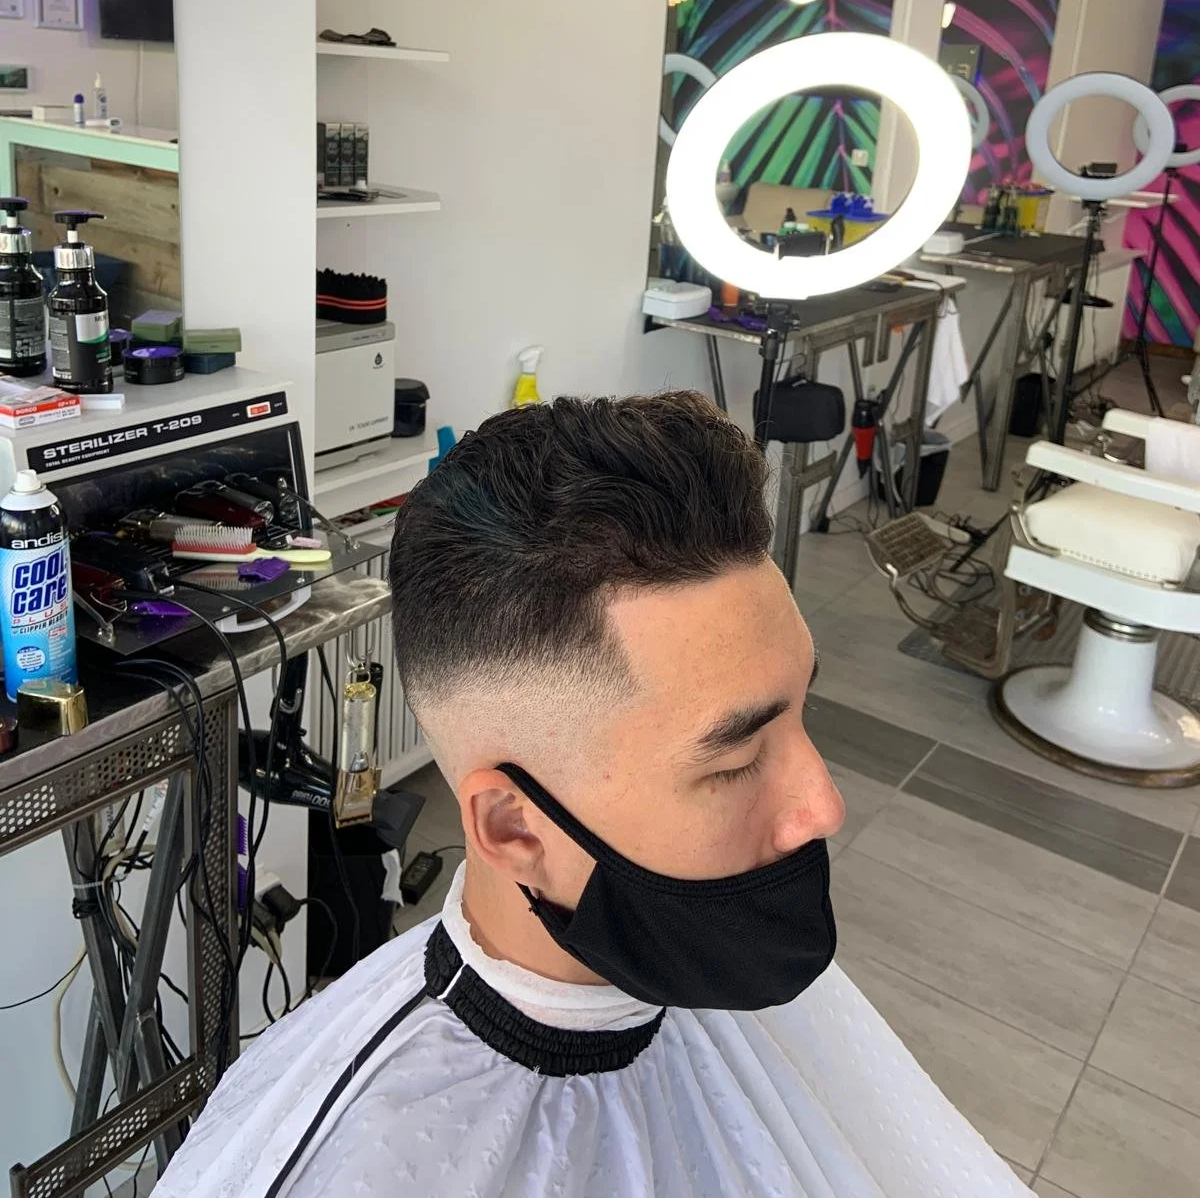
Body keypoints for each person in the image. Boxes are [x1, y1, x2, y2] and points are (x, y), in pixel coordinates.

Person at [159, 393, 1029, 1197]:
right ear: (514, 830)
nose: (824, 806)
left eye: (803, 712)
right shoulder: (356, 1157)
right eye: (733, 762)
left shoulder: (718, 973)